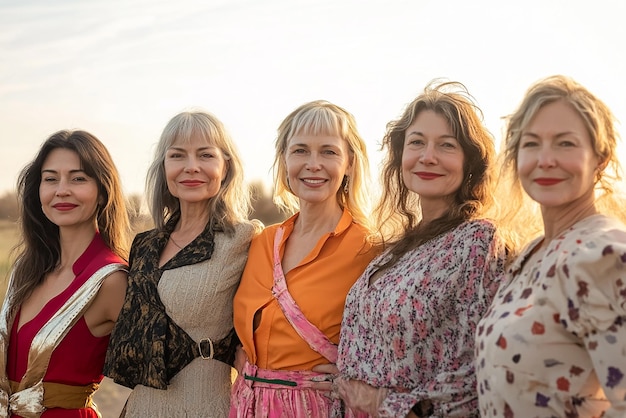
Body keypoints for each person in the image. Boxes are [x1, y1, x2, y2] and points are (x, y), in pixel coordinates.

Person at [316, 81, 508, 417]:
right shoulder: (396, 249)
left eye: (446, 145)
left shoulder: (478, 242)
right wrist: (348, 374)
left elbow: (478, 376)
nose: (427, 156)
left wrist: (382, 403)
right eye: (417, 142)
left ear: (470, 162)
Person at [475, 75, 626, 417]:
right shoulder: (531, 253)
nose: (545, 159)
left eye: (566, 143)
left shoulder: (604, 254)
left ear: (599, 158)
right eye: (531, 144)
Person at [104, 110, 261, 417]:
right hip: (139, 408)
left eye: (205, 155)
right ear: (164, 167)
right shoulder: (145, 243)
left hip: (206, 406)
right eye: (177, 156)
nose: (191, 167)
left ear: (225, 166)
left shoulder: (244, 239)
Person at [229, 100, 378, 417]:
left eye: (329, 151)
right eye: (300, 151)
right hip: (247, 406)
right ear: (284, 160)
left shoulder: (370, 249)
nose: (313, 164)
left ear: (350, 162)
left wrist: (358, 379)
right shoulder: (262, 242)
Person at [0, 130, 131, 417]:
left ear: (102, 191)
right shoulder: (26, 269)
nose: (62, 189)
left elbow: (150, 379)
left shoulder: (112, 279)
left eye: (78, 178)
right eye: (50, 179)